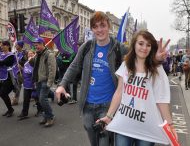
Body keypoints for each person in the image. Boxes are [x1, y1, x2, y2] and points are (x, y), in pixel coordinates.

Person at [55, 11, 168, 146]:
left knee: (105, 141)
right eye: (95, 27)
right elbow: (74, 67)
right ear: (92, 29)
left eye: (102, 25)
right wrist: (62, 84)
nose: (99, 30)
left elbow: (139, 58)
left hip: (108, 105)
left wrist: (156, 59)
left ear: (108, 26)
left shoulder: (119, 48)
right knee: (93, 139)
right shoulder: (86, 47)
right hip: (87, 104)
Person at [97, 30, 177, 146]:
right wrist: (109, 116)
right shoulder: (126, 65)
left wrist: (170, 125)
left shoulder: (156, 70)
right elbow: (119, 92)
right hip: (123, 126)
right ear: (134, 44)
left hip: (147, 128)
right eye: (141, 43)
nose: (144, 48)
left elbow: (162, 101)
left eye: (148, 45)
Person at [32, 37, 56, 127]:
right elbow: (36, 67)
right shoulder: (37, 54)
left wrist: (49, 83)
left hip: (45, 81)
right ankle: (46, 116)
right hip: (38, 80)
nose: (36, 47)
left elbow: (52, 70)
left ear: (42, 44)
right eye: (35, 45)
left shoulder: (49, 54)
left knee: (43, 99)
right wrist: (31, 61)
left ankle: (50, 117)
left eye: (37, 45)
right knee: (41, 100)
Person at [17, 50, 43, 120]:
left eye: (32, 53)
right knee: (26, 99)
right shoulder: (26, 63)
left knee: (37, 98)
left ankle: (40, 110)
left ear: (34, 55)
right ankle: (24, 113)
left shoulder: (35, 63)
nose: (30, 55)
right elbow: (25, 72)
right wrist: (20, 68)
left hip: (34, 84)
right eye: (29, 54)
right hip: (26, 84)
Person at [0, 40, 15, 117]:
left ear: (8, 46)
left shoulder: (11, 55)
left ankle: (10, 109)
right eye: (1, 45)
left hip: (9, 77)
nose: (1, 46)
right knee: (2, 94)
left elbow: (3, 63)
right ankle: (10, 109)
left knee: (3, 93)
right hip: (1, 77)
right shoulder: (1, 54)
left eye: (3, 45)